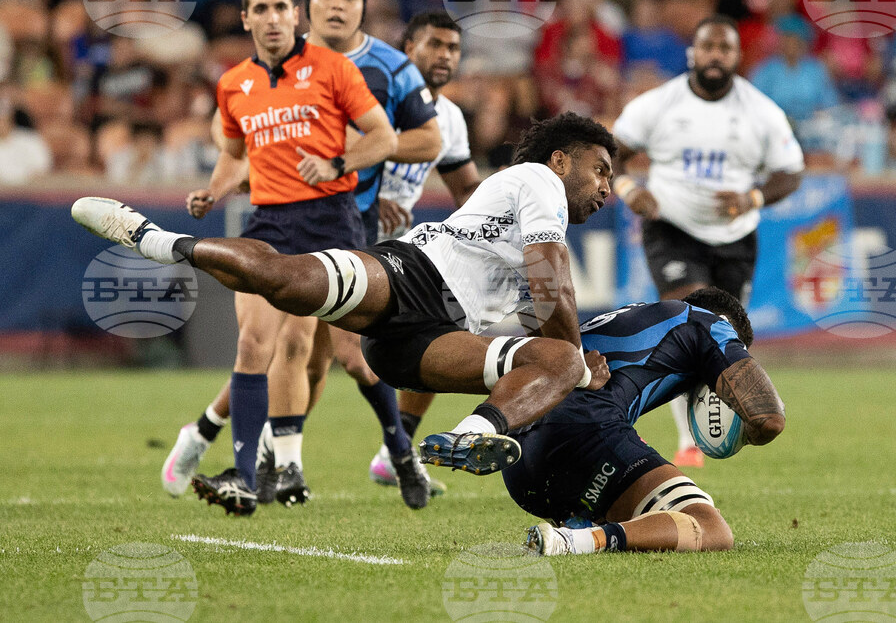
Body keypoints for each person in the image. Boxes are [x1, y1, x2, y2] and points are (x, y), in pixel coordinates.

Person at [72, 112, 615, 489]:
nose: (607, 188)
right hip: (413, 273)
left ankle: (470, 437)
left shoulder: (536, 228)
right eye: (601, 170)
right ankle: (159, 241)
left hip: (428, 343)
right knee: (285, 280)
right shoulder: (539, 179)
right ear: (562, 160)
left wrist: (570, 365)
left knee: (560, 360)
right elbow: (553, 286)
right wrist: (580, 366)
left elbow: (540, 337)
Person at [162, 0, 443, 512]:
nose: (272, 19)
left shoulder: (343, 69)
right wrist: (214, 192)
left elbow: (392, 137)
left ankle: (396, 452)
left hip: (336, 225)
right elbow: (234, 152)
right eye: (260, 9)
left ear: (296, 15)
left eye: (280, 8)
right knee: (259, 346)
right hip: (267, 225)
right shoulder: (234, 82)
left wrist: (337, 160)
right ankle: (255, 474)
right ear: (246, 18)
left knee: (350, 356)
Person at [610, 14, 803, 468]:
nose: (716, 55)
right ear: (692, 53)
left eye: (725, 48)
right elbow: (610, 150)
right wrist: (628, 189)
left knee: (722, 333)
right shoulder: (658, 104)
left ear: (737, 57)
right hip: (672, 227)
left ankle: (714, 423)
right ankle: (688, 440)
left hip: (734, 236)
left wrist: (753, 196)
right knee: (685, 319)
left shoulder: (760, 110)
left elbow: (791, 172)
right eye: (708, 47)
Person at [507, 288, 785, 555]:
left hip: (518, 460)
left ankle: (582, 523)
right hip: (583, 428)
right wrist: (745, 434)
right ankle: (580, 540)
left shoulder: (642, 316)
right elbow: (768, 420)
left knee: (660, 514)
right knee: (708, 526)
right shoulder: (710, 324)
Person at [363, 10, 480, 490]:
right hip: (343, 233)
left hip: (395, 253)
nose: (444, 55)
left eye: (453, 48)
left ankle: (398, 451)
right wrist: (374, 196)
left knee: (441, 332)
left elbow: (466, 190)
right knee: (307, 354)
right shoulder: (378, 99)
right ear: (408, 48)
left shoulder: (448, 118)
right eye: (434, 44)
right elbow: (334, 156)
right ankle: (241, 436)